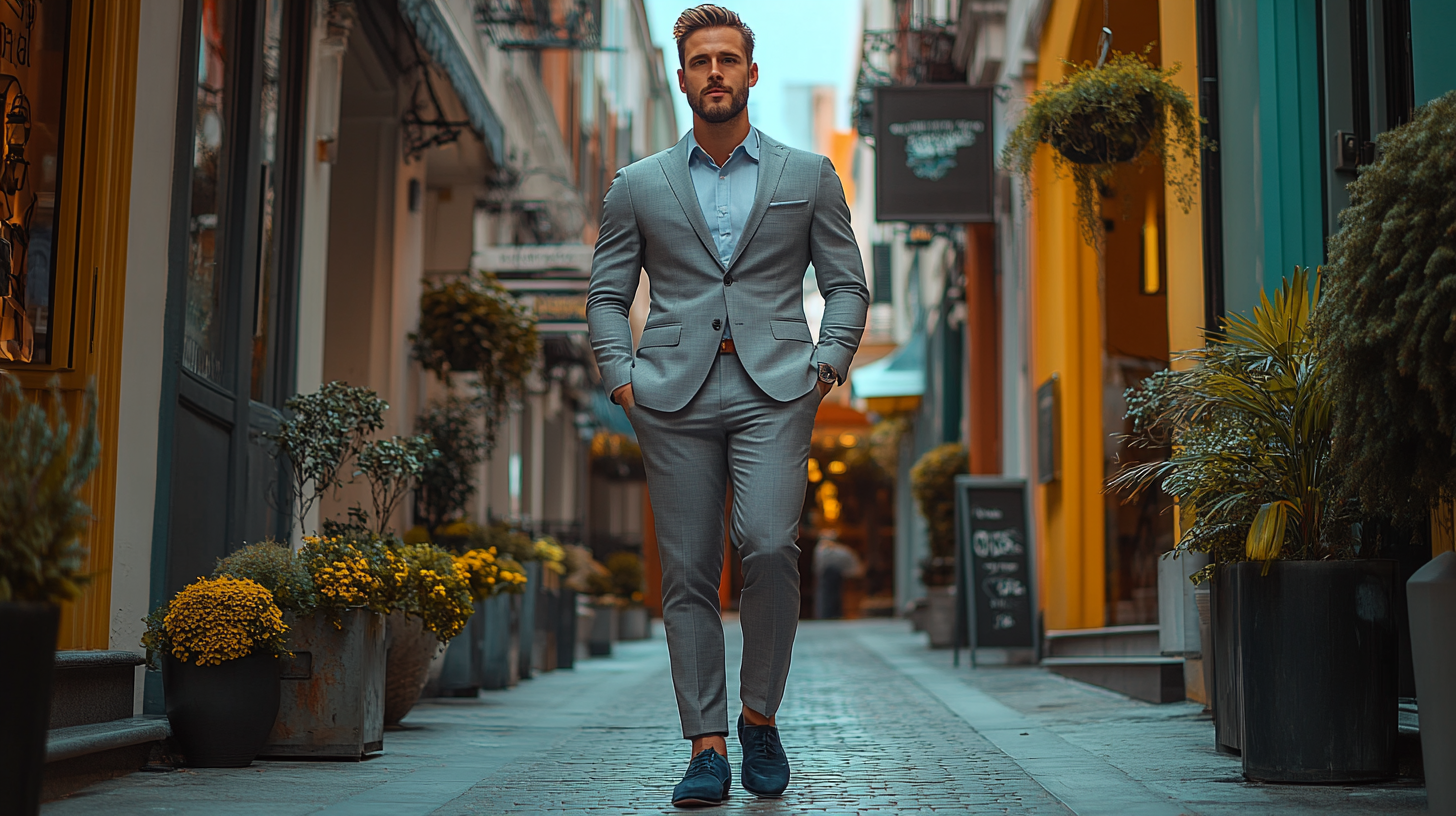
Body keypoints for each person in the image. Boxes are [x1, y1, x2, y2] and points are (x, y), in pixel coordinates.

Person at [585, 3, 868, 807]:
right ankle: (706, 745)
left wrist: (828, 363)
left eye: (727, 59)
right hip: (670, 394)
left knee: (771, 545)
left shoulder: (807, 174)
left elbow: (845, 283)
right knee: (686, 570)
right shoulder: (637, 185)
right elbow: (607, 295)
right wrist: (622, 378)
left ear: (751, 72)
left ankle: (758, 717)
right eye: (700, 61)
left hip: (778, 387)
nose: (714, 72)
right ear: (682, 79)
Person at [813, 530, 864, 620]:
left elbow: (855, 570)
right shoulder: (840, 551)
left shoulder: (838, 551)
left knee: (832, 601)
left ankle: (829, 615)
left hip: (839, 580)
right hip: (829, 580)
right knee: (828, 601)